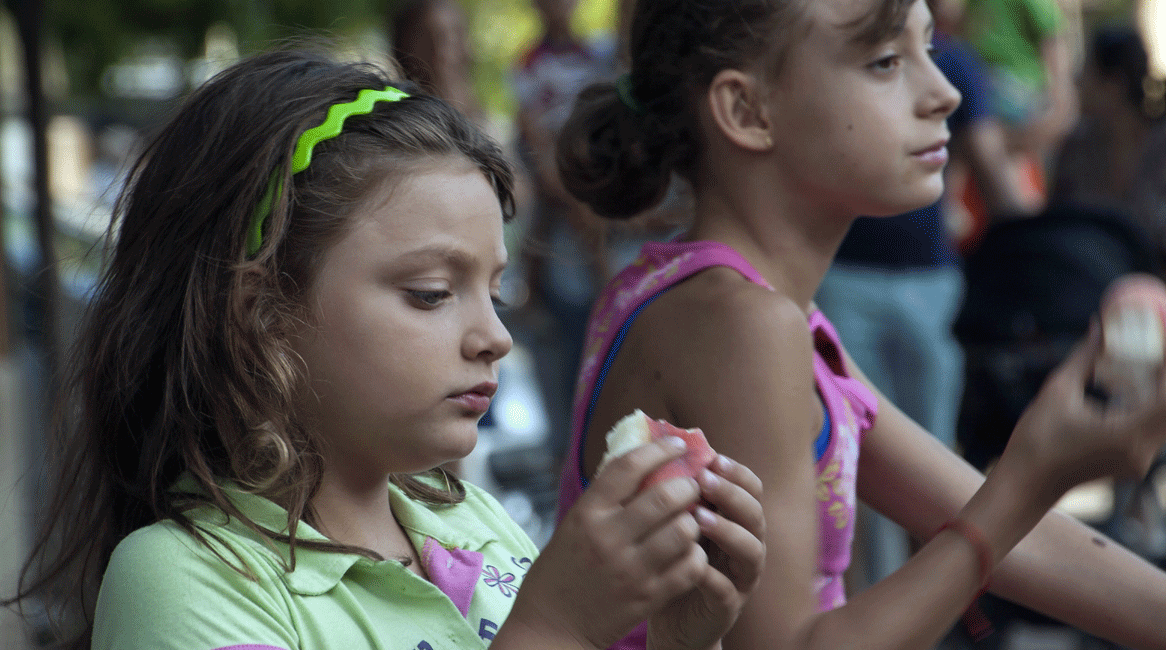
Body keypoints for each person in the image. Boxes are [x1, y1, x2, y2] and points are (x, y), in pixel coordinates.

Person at [2, 49, 765, 650]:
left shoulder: (476, 525)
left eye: (493, 293)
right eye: (432, 293)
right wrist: (555, 631)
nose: (494, 337)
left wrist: (679, 640)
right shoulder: (186, 578)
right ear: (262, 315)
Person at [554, 1, 1166, 649]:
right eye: (886, 62)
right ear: (747, 111)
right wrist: (1030, 480)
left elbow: (1014, 531)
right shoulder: (736, 324)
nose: (945, 93)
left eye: (928, 49)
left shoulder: (760, 307)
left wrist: (1027, 487)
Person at [812, 0, 1034, 587]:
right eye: (885, 62)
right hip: (853, 278)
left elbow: (992, 167)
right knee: (854, 471)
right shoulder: (743, 309)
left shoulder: (959, 64)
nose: (942, 97)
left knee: (926, 462)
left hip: (927, 277)